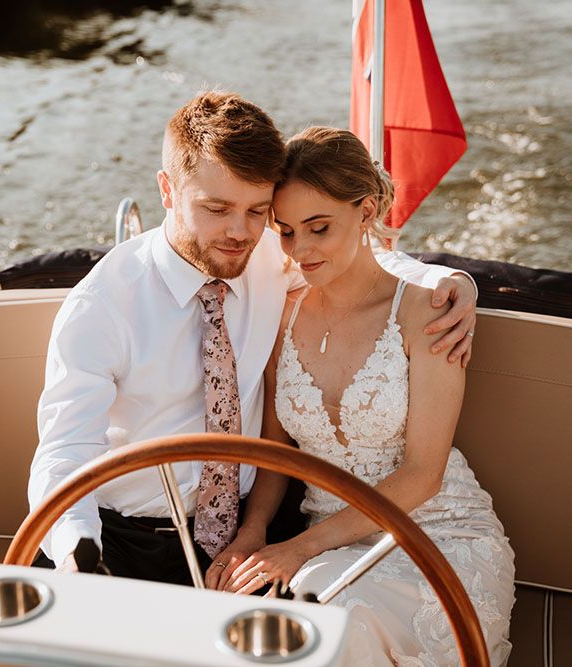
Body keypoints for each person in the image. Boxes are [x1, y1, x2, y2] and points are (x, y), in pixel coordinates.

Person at [27, 91, 479, 584]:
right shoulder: (102, 307)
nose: (239, 233)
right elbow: (64, 450)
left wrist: (447, 283)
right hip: (133, 538)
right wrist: (77, 550)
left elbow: (360, 260)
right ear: (166, 189)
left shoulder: (273, 250)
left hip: (261, 520)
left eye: (257, 211)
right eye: (216, 208)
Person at [210, 127, 515, 666]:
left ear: (366, 210)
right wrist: (252, 534)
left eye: (318, 228)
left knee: (338, 626)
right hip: (333, 546)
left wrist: (298, 547)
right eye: (284, 231)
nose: (300, 250)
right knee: (308, 626)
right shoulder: (284, 314)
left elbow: (425, 473)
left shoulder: (428, 314)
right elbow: (277, 455)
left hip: (439, 534)